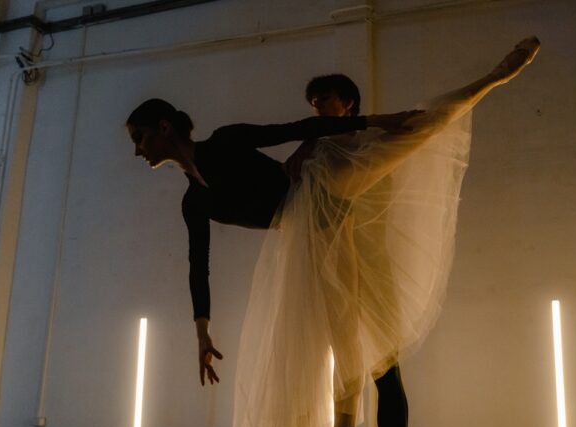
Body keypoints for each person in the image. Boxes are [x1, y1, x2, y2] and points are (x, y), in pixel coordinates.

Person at [231, 36, 541, 427]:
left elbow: (436, 116)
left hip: (368, 272)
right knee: (303, 369)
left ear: (349, 102)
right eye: (311, 105)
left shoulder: (368, 146)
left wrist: (497, 76)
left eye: (323, 101)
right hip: (316, 273)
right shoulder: (308, 158)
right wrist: (309, 139)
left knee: (385, 375)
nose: (315, 108)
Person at [126, 99, 420, 387]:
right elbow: (198, 266)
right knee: (309, 342)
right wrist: (202, 333)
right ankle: (334, 426)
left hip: (330, 209)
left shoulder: (224, 141)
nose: (137, 151)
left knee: (367, 339)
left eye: (140, 138)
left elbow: (296, 128)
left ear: (164, 127)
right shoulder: (195, 203)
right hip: (303, 237)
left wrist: (381, 120)